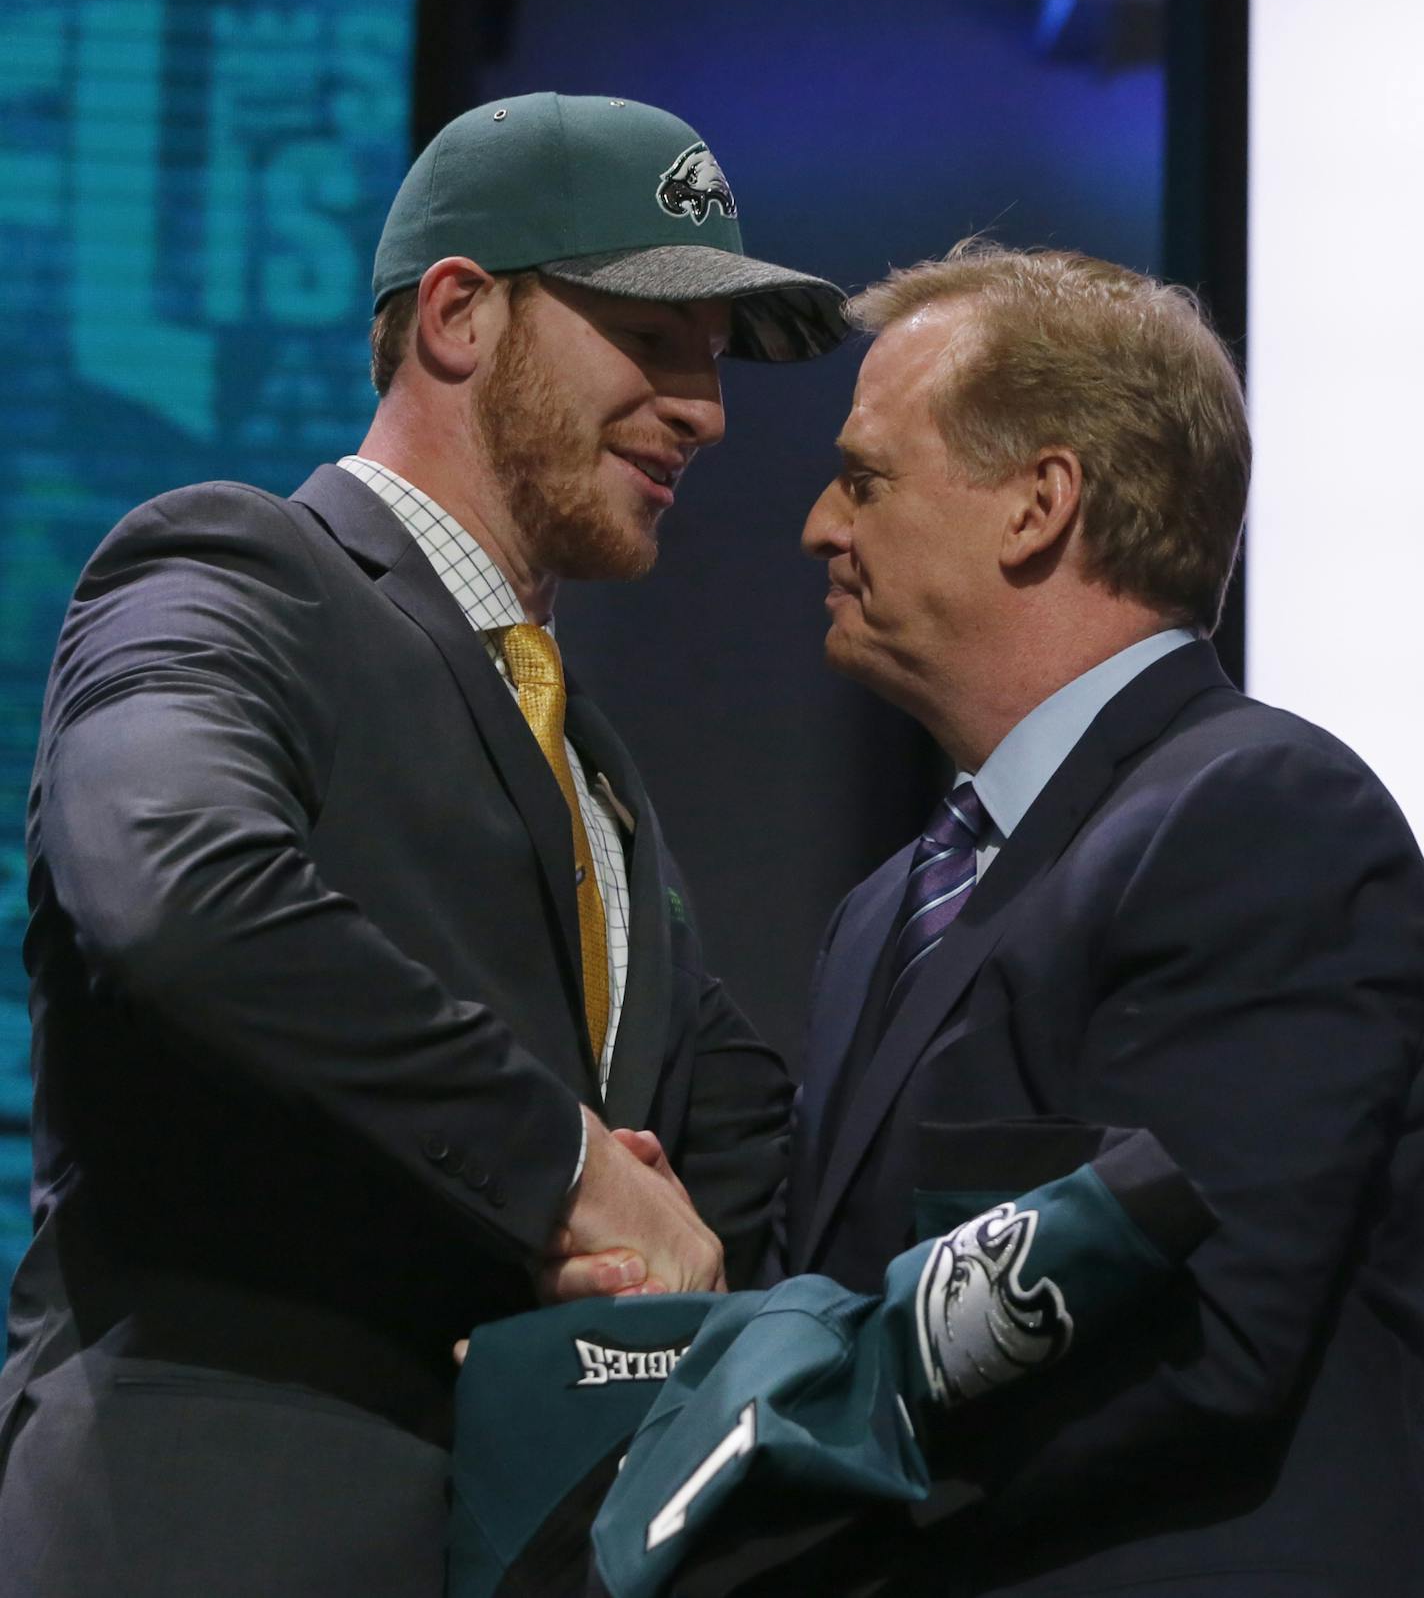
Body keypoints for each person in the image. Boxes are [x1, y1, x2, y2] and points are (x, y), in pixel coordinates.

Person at [0, 92, 846, 1598]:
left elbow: (723, 1202)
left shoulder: (594, 776)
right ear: (459, 313)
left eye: (713, 358)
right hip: (213, 1534)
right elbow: (172, 884)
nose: (704, 408)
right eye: (652, 335)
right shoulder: (234, 567)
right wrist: (556, 1165)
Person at [778, 241, 1424, 1595]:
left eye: (866, 477)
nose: (820, 528)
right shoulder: (879, 913)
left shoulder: (1260, 815)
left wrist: (790, 1434)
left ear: (1038, 505)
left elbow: (1197, 1333)